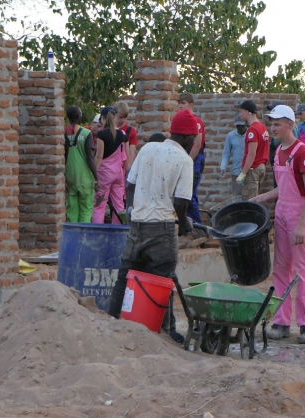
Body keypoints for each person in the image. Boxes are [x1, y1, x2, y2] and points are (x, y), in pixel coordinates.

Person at [107, 110, 196, 345]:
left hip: (137, 224)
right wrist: (185, 221)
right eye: (194, 137)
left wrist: (133, 211)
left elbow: (130, 185)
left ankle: (111, 324)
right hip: (163, 229)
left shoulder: (147, 149)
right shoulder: (185, 160)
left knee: (125, 277)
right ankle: (166, 332)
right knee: (163, 280)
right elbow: (181, 202)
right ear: (188, 138)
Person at [250, 105, 305, 344]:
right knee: (280, 269)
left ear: (290, 124)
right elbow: (284, 188)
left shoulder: (302, 152)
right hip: (282, 216)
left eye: (277, 124)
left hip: (300, 216)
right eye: (272, 123)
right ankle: (281, 321)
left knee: (303, 271)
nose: (273, 128)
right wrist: (261, 197)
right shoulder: (278, 152)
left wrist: (302, 226)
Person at [92, 106, 127, 224]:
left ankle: (97, 234)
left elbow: (99, 156)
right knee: (119, 205)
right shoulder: (123, 134)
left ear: (102, 118)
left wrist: (93, 174)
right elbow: (125, 157)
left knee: (99, 205)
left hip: (104, 175)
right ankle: (119, 235)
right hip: (119, 175)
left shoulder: (102, 134)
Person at [63, 106, 98, 223]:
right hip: (85, 178)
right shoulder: (86, 133)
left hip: (69, 177)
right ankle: (83, 237)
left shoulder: (63, 132)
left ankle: (73, 238)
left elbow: (62, 156)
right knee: (86, 211)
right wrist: (97, 177)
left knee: (71, 211)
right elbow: (90, 157)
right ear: (79, 117)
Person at [178, 93, 206, 224]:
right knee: (183, 194)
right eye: (179, 103)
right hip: (186, 157)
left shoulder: (196, 121)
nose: (180, 106)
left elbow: (197, 145)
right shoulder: (181, 120)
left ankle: (197, 226)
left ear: (191, 104)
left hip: (194, 159)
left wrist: (188, 161)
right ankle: (187, 225)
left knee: (189, 194)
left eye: (183, 103)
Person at [235, 100, 270, 200]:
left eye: (241, 111)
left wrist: (243, 173)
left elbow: (251, 153)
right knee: (255, 196)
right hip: (261, 166)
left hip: (253, 168)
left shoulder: (253, 129)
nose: (240, 114)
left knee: (249, 199)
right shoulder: (262, 127)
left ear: (247, 112)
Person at [220, 114, 247, 197]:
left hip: (248, 171)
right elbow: (226, 153)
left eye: (242, 126)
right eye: (238, 126)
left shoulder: (250, 135)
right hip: (236, 171)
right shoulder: (231, 136)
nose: (240, 128)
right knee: (237, 196)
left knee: (249, 197)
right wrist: (223, 167)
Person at [117, 101, 139, 174]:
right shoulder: (106, 129)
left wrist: (128, 172)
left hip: (123, 167)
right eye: (120, 117)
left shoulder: (131, 131)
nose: (123, 120)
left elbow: (131, 153)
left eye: (125, 118)